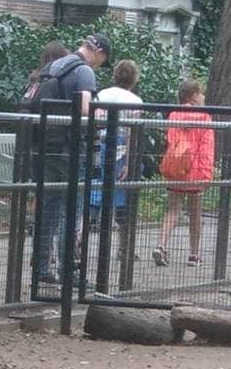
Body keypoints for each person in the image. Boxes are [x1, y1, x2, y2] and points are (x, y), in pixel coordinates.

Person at [28, 33, 111, 282]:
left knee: (48, 210)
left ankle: (42, 268)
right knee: (71, 211)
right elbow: (85, 109)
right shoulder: (84, 71)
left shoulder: (55, 65)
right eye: (102, 61)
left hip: (45, 146)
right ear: (99, 52)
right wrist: (102, 120)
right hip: (69, 151)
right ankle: (67, 271)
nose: (99, 66)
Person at [152, 78, 215, 267]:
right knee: (195, 213)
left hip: (176, 169)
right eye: (201, 93)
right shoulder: (204, 117)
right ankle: (194, 255)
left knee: (173, 210)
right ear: (194, 96)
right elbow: (207, 148)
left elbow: (172, 141)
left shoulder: (174, 115)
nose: (203, 96)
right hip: (195, 172)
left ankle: (161, 246)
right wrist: (206, 173)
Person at [93, 60, 143, 275]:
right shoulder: (135, 101)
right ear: (134, 78)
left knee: (93, 198)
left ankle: (77, 241)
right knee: (124, 203)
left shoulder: (102, 95)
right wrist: (130, 163)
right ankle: (124, 248)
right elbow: (133, 133)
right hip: (121, 150)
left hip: (99, 148)